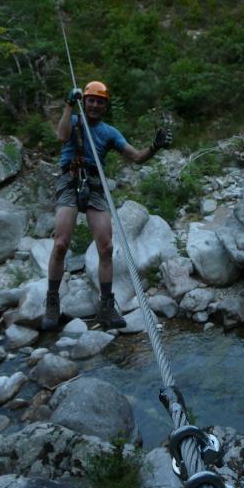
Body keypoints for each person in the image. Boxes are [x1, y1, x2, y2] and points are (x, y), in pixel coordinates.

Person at [42, 81, 172, 331]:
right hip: (70, 178)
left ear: (104, 105)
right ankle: (52, 302)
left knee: (106, 246)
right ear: (85, 101)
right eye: (91, 100)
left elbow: (136, 157)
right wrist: (69, 105)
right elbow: (61, 135)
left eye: (100, 101)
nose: (94, 105)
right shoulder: (75, 121)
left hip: (95, 183)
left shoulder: (109, 132)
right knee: (60, 243)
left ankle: (106, 306)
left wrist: (154, 147)